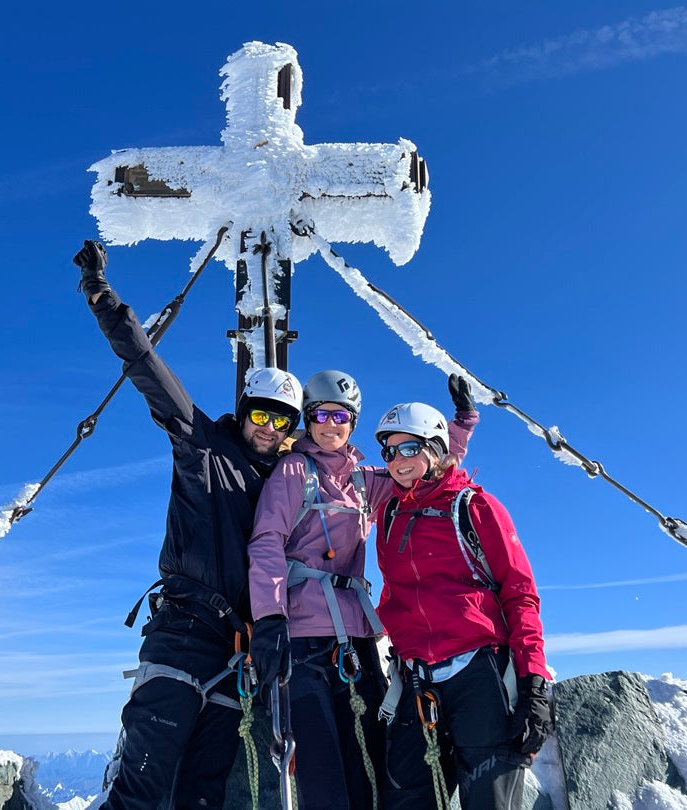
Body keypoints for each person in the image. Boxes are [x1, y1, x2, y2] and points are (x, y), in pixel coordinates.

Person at [73, 240, 304, 810]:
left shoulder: (286, 489)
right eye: (260, 413)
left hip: (234, 660)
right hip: (181, 638)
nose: (268, 428)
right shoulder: (201, 444)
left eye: (281, 420)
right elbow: (147, 368)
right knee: (139, 792)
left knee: (201, 797)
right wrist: (103, 297)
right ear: (244, 409)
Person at [247, 371, 478, 810]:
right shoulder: (293, 470)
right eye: (319, 414)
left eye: (340, 415)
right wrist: (270, 617)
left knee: (373, 757)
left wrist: (460, 426)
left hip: (355, 635)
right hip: (301, 635)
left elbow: (421, 468)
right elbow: (266, 543)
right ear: (307, 419)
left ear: (352, 421)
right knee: (322, 768)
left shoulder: (363, 478)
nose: (329, 424)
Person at [372, 399, 552, 810]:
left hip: (479, 675)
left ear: (435, 449)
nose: (397, 460)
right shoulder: (388, 517)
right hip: (416, 678)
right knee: (403, 798)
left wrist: (533, 684)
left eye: (408, 448)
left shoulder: (475, 508)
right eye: (389, 451)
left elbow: (520, 594)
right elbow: (394, 593)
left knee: (488, 800)